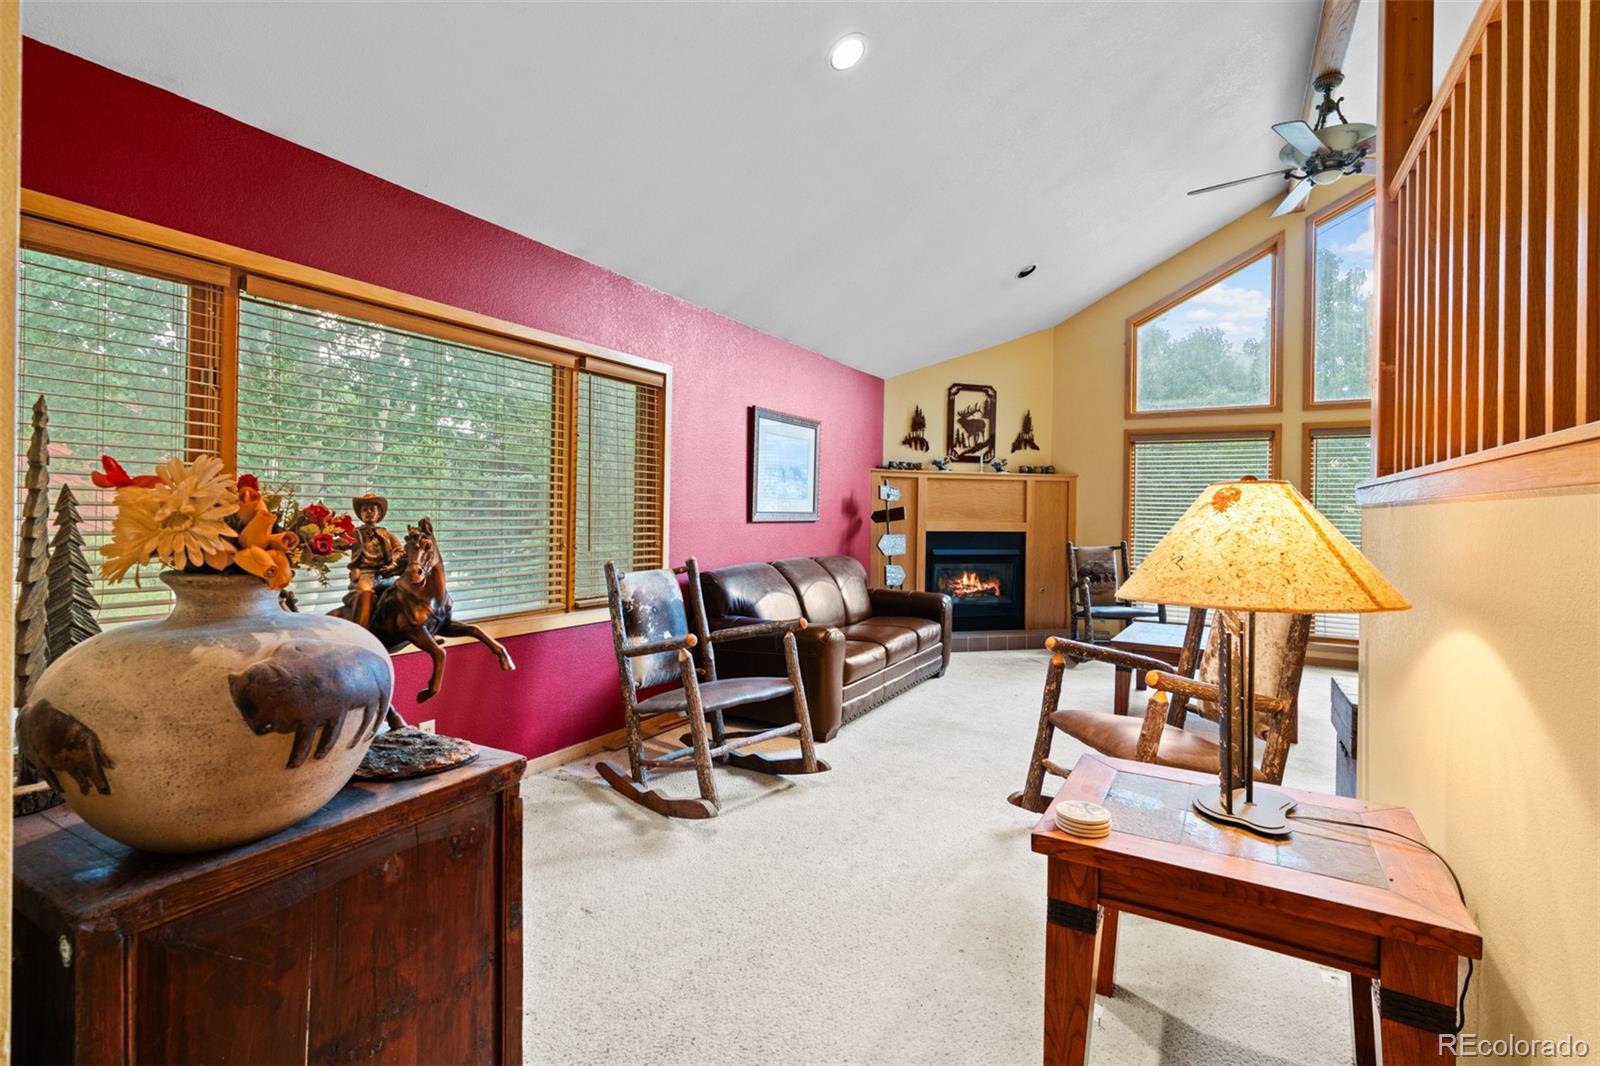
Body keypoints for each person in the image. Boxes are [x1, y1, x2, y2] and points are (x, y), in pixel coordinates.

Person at [345, 493, 405, 629]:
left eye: (372, 509)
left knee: (405, 595)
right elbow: (339, 544)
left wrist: (393, 564)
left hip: (385, 575)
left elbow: (400, 551)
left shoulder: (387, 535)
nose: (369, 512)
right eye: (365, 510)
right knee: (365, 593)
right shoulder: (354, 534)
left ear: (379, 514)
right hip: (364, 575)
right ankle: (361, 631)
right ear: (360, 514)